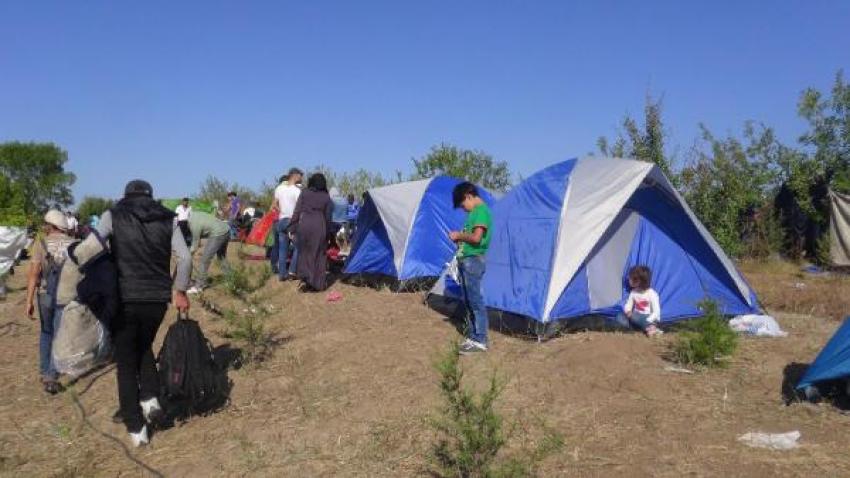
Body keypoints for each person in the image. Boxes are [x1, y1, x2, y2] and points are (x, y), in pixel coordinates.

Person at [81, 179, 191, 447]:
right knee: (143, 346)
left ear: (125, 195)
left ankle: (135, 426)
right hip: (157, 299)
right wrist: (179, 290)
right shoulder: (169, 218)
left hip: (124, 297)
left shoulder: (112, 215)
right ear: (151, 196)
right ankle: (151, 399)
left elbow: (89, 248)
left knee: (126, 362)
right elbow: (185, 258)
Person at [25, 210, 75, 394]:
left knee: (46, 332)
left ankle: (46, 371)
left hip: (45, 294)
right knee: (59, 335)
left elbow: (33, 273)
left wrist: (28, 300)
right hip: (66, 295)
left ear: (50, 225)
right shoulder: (74, 244)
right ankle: (52, 374)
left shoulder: (41, 243)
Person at [449, 182, 492, 355]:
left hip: (473, 261)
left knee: (475, 301)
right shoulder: (474, 213)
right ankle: (473, 336)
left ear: (468, 195)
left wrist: (459, 235)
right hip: (467, 260)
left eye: (462, 205)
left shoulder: (481, 211)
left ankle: (480, 340)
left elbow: (476, 238)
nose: (463, 209)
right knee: (468, 301)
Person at [289, 173, 334, 291]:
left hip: (305, 224)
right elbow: (328, 217)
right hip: (320, 225)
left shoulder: (305, 193)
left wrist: (292, 228)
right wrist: (329, 234)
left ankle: (306, 280)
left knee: (304, 253)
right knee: (319, 254)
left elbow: (297, 211)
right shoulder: (326, 197)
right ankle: (317, 284)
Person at [186, 211, 231, 294]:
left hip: (218, 233)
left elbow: (195, 245)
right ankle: (231, 279)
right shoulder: (195, 214)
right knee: (221, 257)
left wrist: (187, 255)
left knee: (204, 260)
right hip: (226, 230)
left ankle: (199, 286)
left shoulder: (193, 225)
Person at [272, 168, 303, 281]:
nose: (301, 178)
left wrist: (282, 211)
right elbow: (300, 208)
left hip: (281, 221)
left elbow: (274, 205)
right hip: (292, 221)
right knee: (299, 246)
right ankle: (292, 270)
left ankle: (282, 274)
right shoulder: (297, 191)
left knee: (282, 249)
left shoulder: (279, 188)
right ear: (294, 175)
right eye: (300, 176)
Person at [622, 265, 662, 337]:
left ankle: (651, 327)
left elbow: (656, 312)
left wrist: (649, 320)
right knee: (619, 317)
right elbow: (628, 305)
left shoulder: (651, 293)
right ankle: (645, 329)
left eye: (631, 278)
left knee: (635, 317)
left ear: (640, 281)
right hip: (635, 317)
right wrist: (628, 311)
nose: (629, 280)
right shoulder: (633, 292)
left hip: (648, 318)